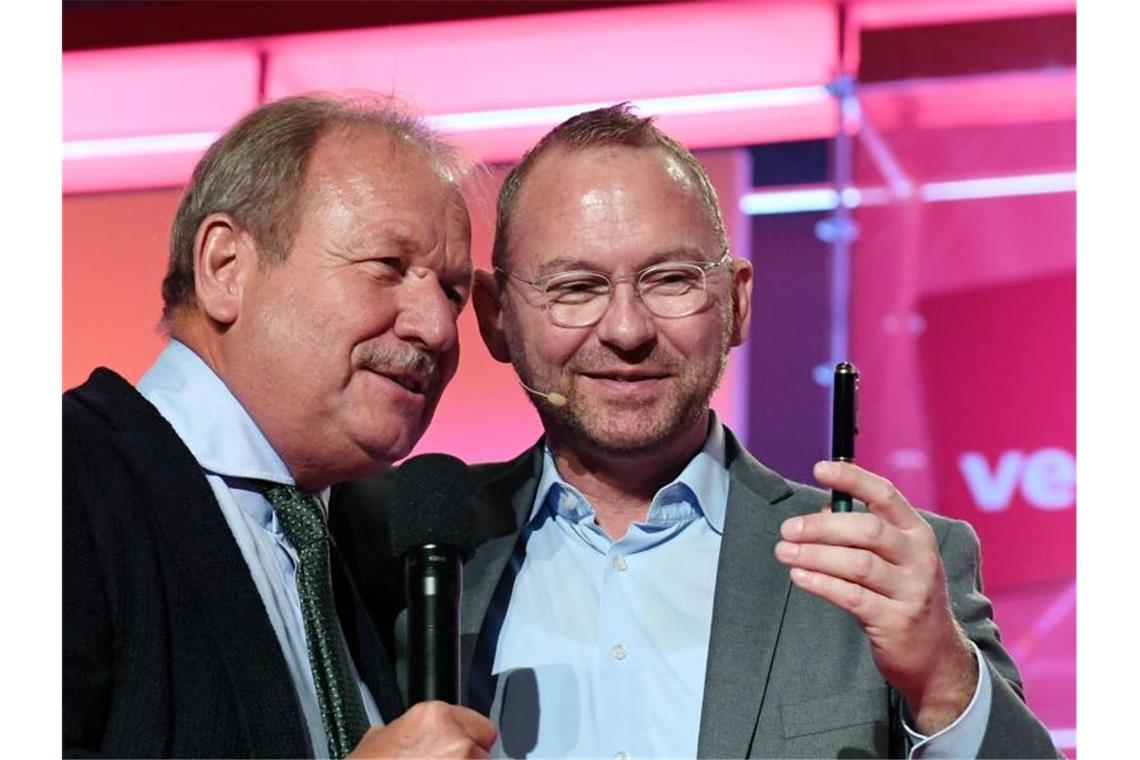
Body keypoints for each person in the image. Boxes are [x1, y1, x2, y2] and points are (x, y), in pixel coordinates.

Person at [335, 103, 1060, 758]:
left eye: (671, 279)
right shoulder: (388, 545)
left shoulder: (886, 566)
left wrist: (942, 684)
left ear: (736, 302)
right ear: (497, 320)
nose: (626, 330)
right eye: (575, 288)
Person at [62, 93, 497, 758]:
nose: (438, 328)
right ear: (226, 269)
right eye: (387, 265)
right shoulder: (60, 476)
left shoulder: (345, 542)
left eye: (452, 292)